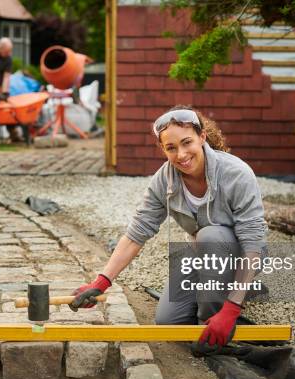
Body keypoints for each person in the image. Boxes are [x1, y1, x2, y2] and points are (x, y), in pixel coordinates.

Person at [70, 105, 268, 348]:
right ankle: (218, 293)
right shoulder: (164, 181)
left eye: (187, 143)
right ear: (163, 149)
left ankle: (215, 321)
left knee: (211, 235)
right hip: (202, 253)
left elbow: (253, 242)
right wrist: (101, 282)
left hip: (241, 254)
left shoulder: (236, 174)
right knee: (169, 322)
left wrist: (231, 309)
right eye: (171, 148)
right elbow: (136, 233)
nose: (181, 155)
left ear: (202, 137)